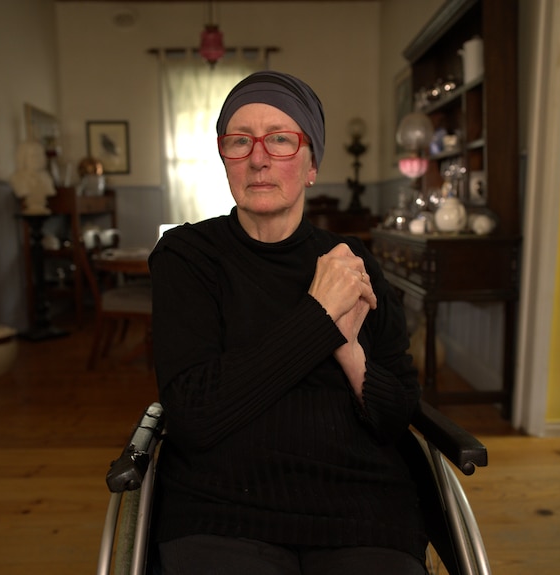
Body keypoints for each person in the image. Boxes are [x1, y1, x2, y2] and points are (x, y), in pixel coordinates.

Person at [148, 71, 427, 575]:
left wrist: (350, 352)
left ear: (312, 164)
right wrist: (319, 317)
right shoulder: (188, 257)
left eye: (280, 139)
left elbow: (395, 414)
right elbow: (193, 415)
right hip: (221, 507)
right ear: (225, 159)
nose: (258, 157)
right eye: (240, 141)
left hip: (360, 506)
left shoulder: (352, 263)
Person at [10, 139, 56, 214]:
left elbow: (50, 191)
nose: (37, 159)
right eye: (33, 156)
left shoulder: (46, 178)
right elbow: (21, 191)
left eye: (39, 155)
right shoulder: (18, 178)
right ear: (23, 158)